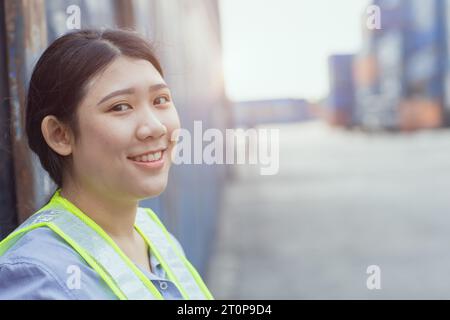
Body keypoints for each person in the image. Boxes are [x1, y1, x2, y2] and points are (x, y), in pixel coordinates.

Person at [0, 28, 213, 300]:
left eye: (160, 100)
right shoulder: (39, 278)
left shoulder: (152, 234)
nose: (156, 127)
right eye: (120, 107)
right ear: (59, 135)